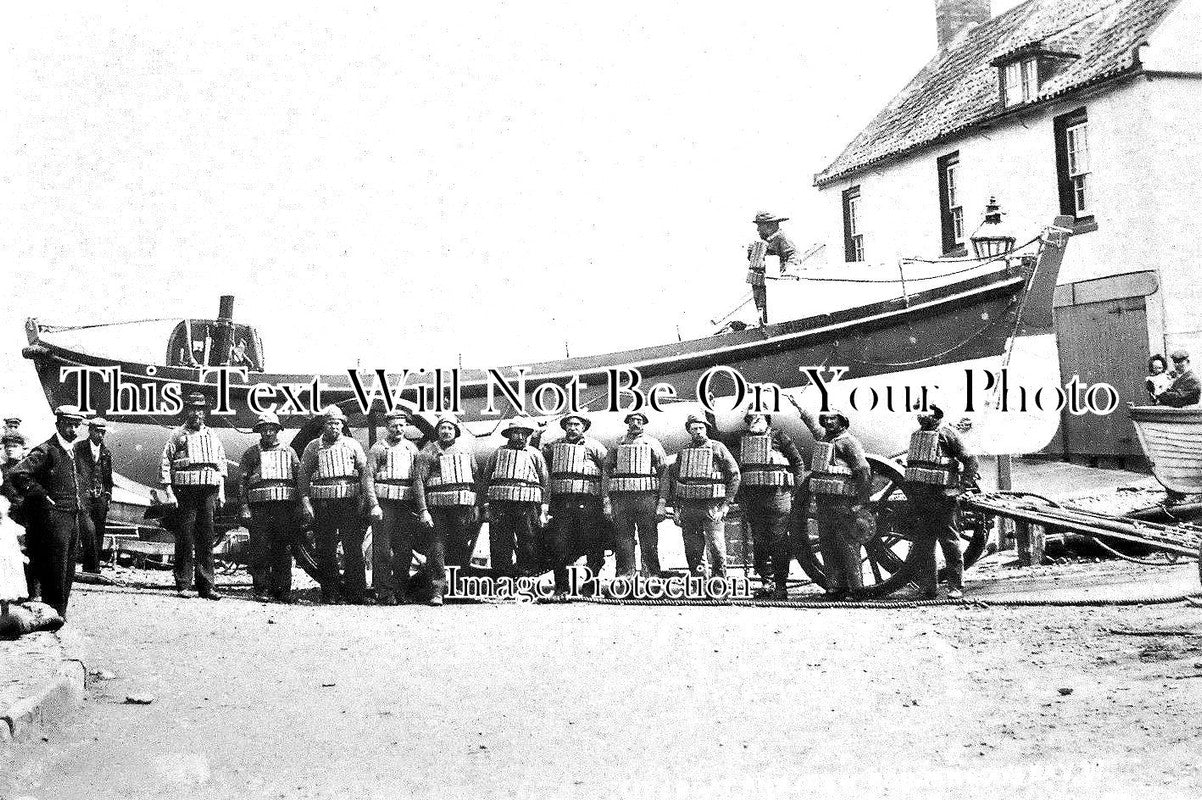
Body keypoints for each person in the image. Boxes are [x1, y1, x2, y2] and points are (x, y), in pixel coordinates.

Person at [7, 405, 88, 618]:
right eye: (69, 424)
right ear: (58, 424)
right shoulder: (46, 450)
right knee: (56, 568)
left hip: (72, 515)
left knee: (69, 568)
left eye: (76, 425)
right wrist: (42, 495)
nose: (73, 430)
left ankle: (59, 613)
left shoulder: (72, 451)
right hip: (54, 517)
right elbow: (18, 473)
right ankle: (53, 613)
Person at [792, 401, 872, 600]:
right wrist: (801, 408)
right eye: (825, 419)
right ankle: (834, 588)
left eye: (832, 418)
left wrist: (861, 502)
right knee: (827, 546)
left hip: (844, 505)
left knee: (848, 546)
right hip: (824, 504)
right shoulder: (826, 440)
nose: (828, 422)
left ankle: (857, 589)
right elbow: (813, 427)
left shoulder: (849, 442)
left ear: (842, 421)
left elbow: (863, 471)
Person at [299, 405, 378, 605]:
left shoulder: (353, 445)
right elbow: (303, 475)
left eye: (337, 423)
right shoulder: (312, 447)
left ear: (342, 425)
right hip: (322, 504)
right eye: (330, 423)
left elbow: (364, 473)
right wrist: (306, 501)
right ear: (323, 426)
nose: (334, 427)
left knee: (352, 548)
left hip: (348, 503)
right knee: (326, 549)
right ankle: (330, 593)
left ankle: (356, 594)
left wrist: (363, 501)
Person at [902, 405, 979, 600]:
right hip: (922, 498)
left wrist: (962, 487)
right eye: (918, 410)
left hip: (943, 497)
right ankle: (928, 588)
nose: (920, 415)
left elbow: (970, 459)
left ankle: (955, 586)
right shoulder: (916, 435)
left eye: (925, 410)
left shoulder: (947, 433)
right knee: (923, 544)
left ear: (936, 413)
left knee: (950, 542)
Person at [160, 392, 228, 600]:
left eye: (200, 409)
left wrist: (221, 492)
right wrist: (169, 492)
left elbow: (221, 465)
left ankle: (207, 586)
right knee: (185, 537)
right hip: (185, 492)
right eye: (192, 408)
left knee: (206, 538)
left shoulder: (212, 435)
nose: (197, 413)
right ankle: (183, 583)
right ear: (187, 410)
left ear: (205, 412)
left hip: (208, 491)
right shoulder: (177, 435)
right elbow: (165, 463)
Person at [735, 410, 804, 600]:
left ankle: (781, 587)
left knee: (779, 542)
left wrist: (796, 492)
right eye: (752, 416)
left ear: (767, 419)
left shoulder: (779, 436)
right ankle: (767, 583)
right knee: (759, 542)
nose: (756, 419)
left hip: (778, 497)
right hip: (754, 498)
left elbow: (798, 463)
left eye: (760, 416)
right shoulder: (742, 438)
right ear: (748, 421)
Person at [413, 415, 481, 606]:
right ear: (437, 431)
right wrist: (423, 510)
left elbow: (475, 480)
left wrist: (475, 506)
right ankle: (437, 590)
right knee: (436, 548)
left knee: (460, 545)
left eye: (450, 428)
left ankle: (461, 587)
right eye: (443, 428)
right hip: (436, 507)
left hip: (461, 507)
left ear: (455, 431)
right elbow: (418, 482)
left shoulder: (465, 451)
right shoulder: (428, 452)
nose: (446, 431)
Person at [665, 414, 740, 579]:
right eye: (694, 429)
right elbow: (676, 480)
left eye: (701, 428)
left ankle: (719, 584)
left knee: (716, 547)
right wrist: (677, 509)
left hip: (712, 507)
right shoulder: (684, 451)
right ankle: (700, 583)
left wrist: (726, 504)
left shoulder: (718, 448)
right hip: (688, 508)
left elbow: (734, 475)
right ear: (689, 431)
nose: (698, 432)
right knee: (693, 550)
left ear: (706, 429)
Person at [239, 411, 301, 602]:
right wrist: (244, 507)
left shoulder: (289, 453)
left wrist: (299, 506)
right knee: (260, 549)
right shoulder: (251, 453)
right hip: (260, 509)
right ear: (259, 431)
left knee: (283, 549)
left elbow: (299, 479)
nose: (267, 433)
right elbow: (242, 482)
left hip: (284, 507)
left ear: (277, 430)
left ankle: (283, 590)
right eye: (264, 430)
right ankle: (261, 589)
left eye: (271, 429)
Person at [544, 414, 609, 596]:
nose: (572, 428)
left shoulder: (594, 446)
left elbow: (607, 469)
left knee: (594, 546)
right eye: (569, 425)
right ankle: (562, 587)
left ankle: (590, 587)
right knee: (559, 545)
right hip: (562, 504)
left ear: (584, 427)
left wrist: (605, 500)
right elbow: (536, 458)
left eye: (576, 425)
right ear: (564, 427)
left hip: (588, 504)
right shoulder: (554, 446)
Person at [602, 412, 668, 579]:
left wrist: (661, 502)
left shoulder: (653, 443)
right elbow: (606, 472)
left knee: (649, 540)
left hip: (646, 498)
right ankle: (625, 576)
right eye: (632, 420)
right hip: (622, 499)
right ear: (628, 422)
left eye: (639, 420)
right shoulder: (617, 443)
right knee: (623, 539)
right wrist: (606, 501)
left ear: (644, 423)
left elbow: (664, 473)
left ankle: (652, 576)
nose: (636, 423)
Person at [366, 409, 422, 605]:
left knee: (404, 550)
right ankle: (383, 591)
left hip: (405, 505)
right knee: (382, 550)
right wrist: (374, 504)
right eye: (394, 426)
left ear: (405, 427)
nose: (398, 429)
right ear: (386, 427)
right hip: (384, 505)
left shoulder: (411, 449)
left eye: (401, 426)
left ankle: (401, 591)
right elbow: (368, 478)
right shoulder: (378, 448)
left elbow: (417, 479)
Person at [481, 417, 548, 579]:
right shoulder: (498, 453)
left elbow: (545, 481)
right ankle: (502, 578)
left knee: (528, 540)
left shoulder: (535, 454)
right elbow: (485, 479)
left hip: (527, 504)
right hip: (500, 504)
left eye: (523, 433)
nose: (519, 437)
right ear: (509, 435)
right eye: (516, 433)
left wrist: (544, 507)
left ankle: (526, 577)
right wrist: (485, 504)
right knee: (500, 542)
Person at [75, 417, 113, 574]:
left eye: (103, 432)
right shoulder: (79, 448)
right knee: (88, 530)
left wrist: (108, 495)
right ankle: (90, 567)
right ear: (90, 431)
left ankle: (93, 568)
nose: (100, 435)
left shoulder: (106, 452)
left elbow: (108, 477)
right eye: (97, 431)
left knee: (99, 531)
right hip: (84, 498)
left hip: (100, 498)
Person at [747, 211, 800, 325]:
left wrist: (787, 274)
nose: (758, 230)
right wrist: (752, 253)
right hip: (761, 282)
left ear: (770, 226)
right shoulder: (764, 241)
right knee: (762, 308)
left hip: (774, 283)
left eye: (760, 226)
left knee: (772, 309)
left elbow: (793, 256)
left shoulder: (781, 238)